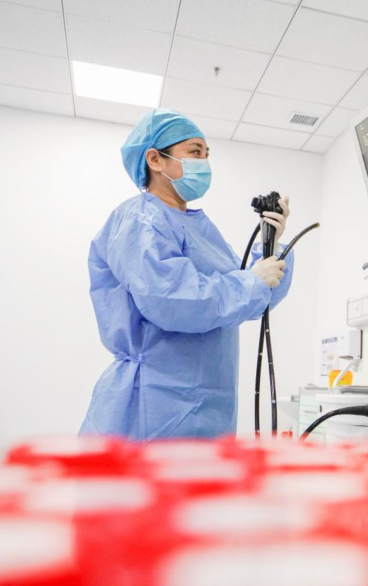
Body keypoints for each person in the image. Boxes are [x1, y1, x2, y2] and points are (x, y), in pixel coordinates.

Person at [80, 109, 294, 440]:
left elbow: (248, 301)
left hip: (210, 401)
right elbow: (172, 299)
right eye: (195, 152)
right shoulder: (141, 220)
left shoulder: (201, 229)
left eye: (207, 155)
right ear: (155, 159)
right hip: (155, 402)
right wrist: (251, 283)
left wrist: (271, 246)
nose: (204, 162)